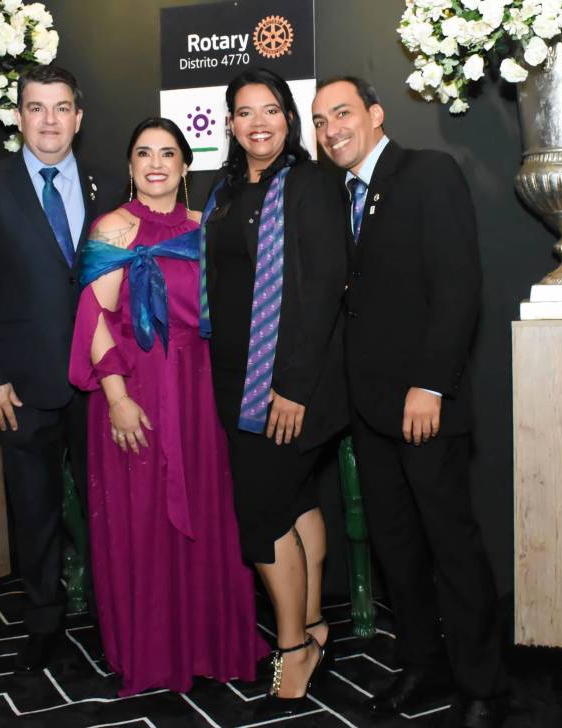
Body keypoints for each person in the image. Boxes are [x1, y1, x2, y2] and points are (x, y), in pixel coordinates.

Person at [311, 77, 509, 728]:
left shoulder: (428, 173)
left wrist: (431, 385)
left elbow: (459, 286)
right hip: (368, 411)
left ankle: (483, 684)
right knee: (396, 547)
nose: (331, 130)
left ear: (375, 114)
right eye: (320, 121)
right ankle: (423, 664)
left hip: (425, 404)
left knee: (451, 544)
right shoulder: (337, 194)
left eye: (342, 113)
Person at [68, 117, 269, 696]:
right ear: (130, 167)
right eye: (143, 153)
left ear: (185, 166)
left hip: (201, 390)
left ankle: (209, 643)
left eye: (167, 153)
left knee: (210, 516)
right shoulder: (113, 228)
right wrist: (117, 398)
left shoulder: (207, 227)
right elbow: (94, 318)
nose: (155, 163)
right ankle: (153, 649)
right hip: (136, 390)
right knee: (144, 519)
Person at [0, 64, 117, 672]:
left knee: (108, 507)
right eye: (37, 108)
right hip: (19, 386)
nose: (50, 120)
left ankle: (114, 619)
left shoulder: (108, 185)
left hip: (101, 383)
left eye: (61, 107)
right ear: (19, 116)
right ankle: (44, 623)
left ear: (79, 116)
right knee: (34, 510)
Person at [201, 67, 348, 714]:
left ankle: (293, 647)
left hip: (288, 382)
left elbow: (322, 289)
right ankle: (313, 622)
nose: (257, 122)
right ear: (230, 124)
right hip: (232, 377)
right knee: (293, 500)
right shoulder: (223, 191)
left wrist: (291, 385)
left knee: (260, 516)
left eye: (270, 109)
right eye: (244, 112)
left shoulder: (312, 183)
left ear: (289, 117)